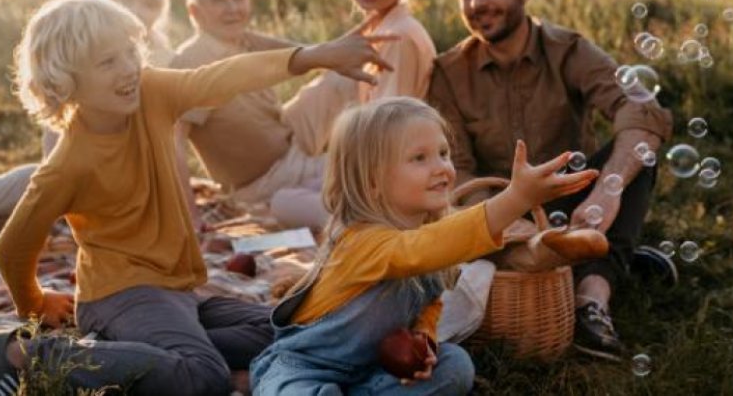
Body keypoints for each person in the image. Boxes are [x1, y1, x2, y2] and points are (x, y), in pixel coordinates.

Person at [0, 0, 393, 395]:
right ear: (66, 81)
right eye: (108, 62)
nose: (128, 69)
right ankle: (24, 353)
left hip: (178, 292)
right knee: (204, 376)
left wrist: (313, 55)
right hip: (118, 297)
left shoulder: (151, 93)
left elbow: (220, 77)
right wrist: (35, 305)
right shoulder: (67, 166)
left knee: (300, 331)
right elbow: (12, 248)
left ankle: (150, 350)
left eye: (129, 52)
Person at [426, 0, 675, 361]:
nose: (475, 3)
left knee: (634, 154)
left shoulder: (569, 50)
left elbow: (641, 109)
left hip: (577, 205)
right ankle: (608, 260)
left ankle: (590, 300)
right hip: (499, 215)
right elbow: (459, 172)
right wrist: (506, 221)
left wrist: (607, 189)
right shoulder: (447, 74)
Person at [248, 97, 599, 395]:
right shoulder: (362, 241)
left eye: (443, 153)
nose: (442, 168)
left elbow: (429, 305)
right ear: (372, 182)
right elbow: (421, 249)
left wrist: (423, 341)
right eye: (420, 158)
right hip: (306, 367)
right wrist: (515, 199)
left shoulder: (432, 238)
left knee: (455, 365)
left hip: (373, 370)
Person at [0, 0, 174, 237]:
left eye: (150, 4)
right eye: (126, 0)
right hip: (67, 172)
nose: (138, 9)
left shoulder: (162, 56)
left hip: (116, 174)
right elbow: (57, 144)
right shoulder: (83, 54)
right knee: (33, 187)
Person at [267, 0, 440, 229]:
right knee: (283, 195)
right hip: (376, 171)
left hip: (390, 185)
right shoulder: (382, 28)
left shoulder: (398, 37)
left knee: (282, 202)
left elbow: (387, 136)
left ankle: (366, 226)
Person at [170, 0, 354, 232]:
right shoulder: (192, 61)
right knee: (360, 183)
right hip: (263, 184)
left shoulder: (245, 40)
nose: (232, 8)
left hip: (291, 144)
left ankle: (359, 150)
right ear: (194, 12)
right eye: (218, 0)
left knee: (342, 78)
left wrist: (357, 41)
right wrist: (192, 218)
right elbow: (173, 142)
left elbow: (309, 54)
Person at [98, 0, 174, 66]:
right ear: (107, 1)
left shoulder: (162, 52)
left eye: (150, 4)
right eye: (126, 0)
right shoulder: (95, 44)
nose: (137, 11)